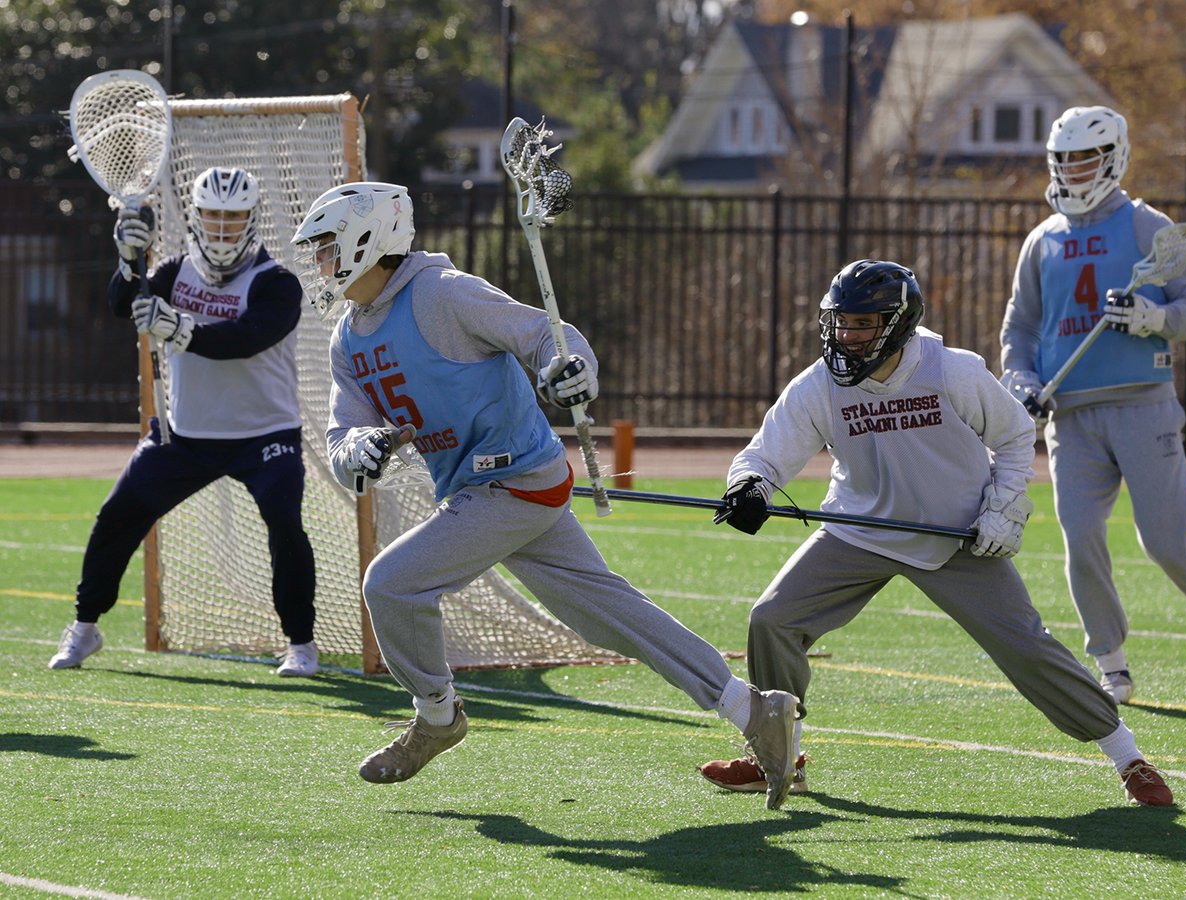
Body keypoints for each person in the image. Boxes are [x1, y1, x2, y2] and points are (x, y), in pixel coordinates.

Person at [290, 181, 800, 809]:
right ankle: (756, 711)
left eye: (324, 248)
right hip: (489, 489)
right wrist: (354, 450)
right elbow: (344, 434)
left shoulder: (442, 294)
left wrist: (569, 371)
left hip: (514, 481)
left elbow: (549, 338)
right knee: (609, 617)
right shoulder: (347, 338)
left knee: (390, 584)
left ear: (366, 242)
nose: (317, 263)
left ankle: (438, 715)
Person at [698, 258, 1174, 807]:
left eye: (862, 324)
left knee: (1027, 649)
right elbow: (765, 454)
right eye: (840, 323)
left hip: (956, 536)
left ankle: (1128, 757)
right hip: (860, 529)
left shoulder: (953, 370)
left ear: (898, 323)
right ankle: (776, 759)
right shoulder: (819, 384)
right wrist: (750, 485)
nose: (846, 336)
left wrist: (1003, 509)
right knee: (772, 620)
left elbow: (1017, 436)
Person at [49, 166, 320, 678]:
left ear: (252, 219)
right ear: (196, 217)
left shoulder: (277, 283)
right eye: (213, 216)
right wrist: (130, 260)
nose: (222, 228)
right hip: (185, 435)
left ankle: (300, 643)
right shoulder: (174, 270)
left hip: (265, 435)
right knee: (117, 517)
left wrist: (181, 328)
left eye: (233, 218)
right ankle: (85, 627)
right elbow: (119, 304)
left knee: (285, 523)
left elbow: (246, 339)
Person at [1000, 105, 1186, 704]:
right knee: (1081, 535)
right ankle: (1110, 663)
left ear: (1112, 157)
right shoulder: (1042, 240)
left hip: (1143, 405)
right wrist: (1019, 380)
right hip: (1072, 416)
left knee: (1165, 541)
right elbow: (1021, 330)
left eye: (1086, 157)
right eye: (1065, 159)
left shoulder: (1146, 226)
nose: (1075, 169)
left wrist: (1153, 318)